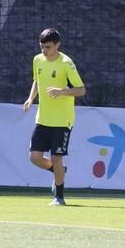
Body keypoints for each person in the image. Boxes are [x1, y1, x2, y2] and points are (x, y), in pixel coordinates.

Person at [22, 28, 86, 206]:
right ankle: (59, 171)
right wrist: (30, 98)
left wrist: (62, 91)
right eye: (42, 47)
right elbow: (37, 80)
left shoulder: (66, 63)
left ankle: (59, 197)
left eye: (48, 47)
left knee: (57, 157)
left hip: (62, 121)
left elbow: (81, 90)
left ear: (58, 45)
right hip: (43, 118)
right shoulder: (37, 60)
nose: (44, 50)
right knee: (34, 157)